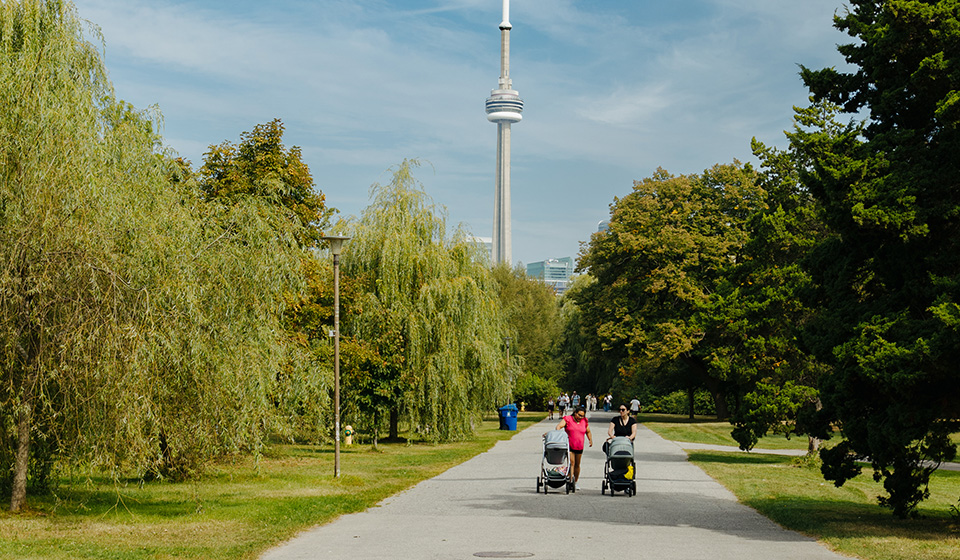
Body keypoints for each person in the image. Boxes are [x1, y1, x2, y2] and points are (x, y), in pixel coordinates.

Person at [556, 406, 592, 490]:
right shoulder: (568, 419)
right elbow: (558, 427)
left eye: (582, 416)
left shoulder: (584, 421)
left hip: (579, 446)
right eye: (579, 415)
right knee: (572, 463)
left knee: (577, 464)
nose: (581, 417)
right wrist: (559, 435)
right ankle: (570, 481)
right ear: (575, 413)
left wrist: (590, 439)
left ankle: (575, 481)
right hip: (569, 445)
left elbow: (588, 431)